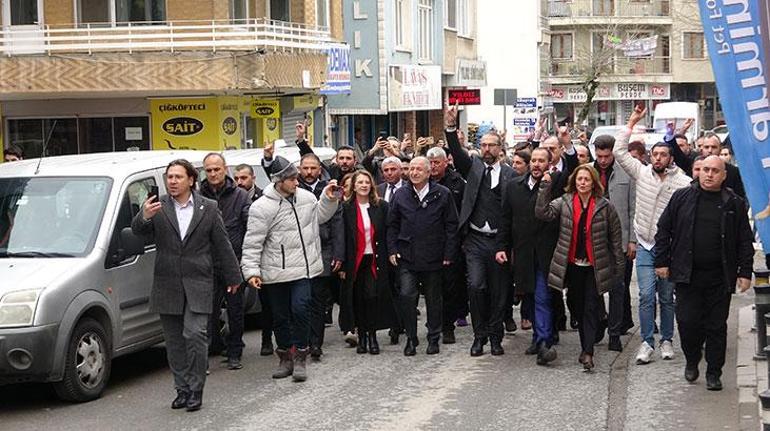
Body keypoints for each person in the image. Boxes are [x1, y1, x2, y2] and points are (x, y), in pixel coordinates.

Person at [131, 159, 241, 412]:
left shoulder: (209, 208)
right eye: (169, 177)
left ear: (191, 180)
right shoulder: (157, 206)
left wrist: (234, 278)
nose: (172, 181)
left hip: (199, 282)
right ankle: (181, 389)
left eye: (178, 177)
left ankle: (196, 388)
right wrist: (144, 216)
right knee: (174, 341)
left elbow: (223, 244)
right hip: (167, 283)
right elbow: (137, 232)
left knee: (194, 334)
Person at [654, 155, 753, 390]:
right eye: (705, 169)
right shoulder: (682, 197)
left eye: (714, 171)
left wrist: (745, 271)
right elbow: (663, 230)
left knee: (716, 326)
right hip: (687, 274)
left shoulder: (734, 203)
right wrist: (662, 261)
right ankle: (691, 358)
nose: (709, 174)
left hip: (719, 277)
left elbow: (744, 240)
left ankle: (714, 372)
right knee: (688, 323)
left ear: (724, 175)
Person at [241, 156, 340, 383]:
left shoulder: (305, 197)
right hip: (275, 271)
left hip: (303, 269)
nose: (297, 182)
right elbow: (253, 242)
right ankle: (285, 355)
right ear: (279, 180)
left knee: (301, 309)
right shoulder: (261, 207)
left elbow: (320, 217)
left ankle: (300, 357)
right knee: (280, 317)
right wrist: (251, 272)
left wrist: (328, 199)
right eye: (292, 178)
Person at [613, 105, 691, 365]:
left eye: (663, 155)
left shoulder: (682, 182)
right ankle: (647, 342)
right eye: (654, 154)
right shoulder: (642, 172)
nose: (657, 159)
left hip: (667, 249)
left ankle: (667, 339)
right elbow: (619, 151)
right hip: (645, 244)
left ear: (670, 158)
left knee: (666, 297)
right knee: (646, 295)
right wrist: (632, 121)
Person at [535, 164, 625, 371]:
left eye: (586, 179)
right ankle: (596, 326)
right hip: (573, 265)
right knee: (576, 306)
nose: (582, 183)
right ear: (574, 182)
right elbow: (543, 213)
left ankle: (587, 352)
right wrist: (544, 188)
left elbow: (615, 239)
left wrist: (618, 268)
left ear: (593, 182)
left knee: (589, 308)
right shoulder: (565, 202)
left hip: (595, 266)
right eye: (579, 179)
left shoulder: (605, 206)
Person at [445, 105, 516, 357]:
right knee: (476, 287)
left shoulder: (511, 175)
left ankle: (496, 338)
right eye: (483, 145)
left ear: (500, 148)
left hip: (499, 242)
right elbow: (455, 150)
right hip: (474, 240)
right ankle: (479, 337)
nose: (487, 149)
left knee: (498, 292)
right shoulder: (472, 168)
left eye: (492, 145)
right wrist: (451, 127)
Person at [496, 147, 564, 365]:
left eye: (541, 161)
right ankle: (537, 337)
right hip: (523, 252)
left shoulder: (556, 185)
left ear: (549, 163)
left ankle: (544, 342)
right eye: (533, 160)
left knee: (543, 296)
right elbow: (506, 220)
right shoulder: (514, 186)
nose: (536, 164)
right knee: (530, 297)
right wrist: (502, 247)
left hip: (547, 252)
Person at [387, 157, 459, 356]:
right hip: (407, 256)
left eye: (419, 169)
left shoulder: (442, 194)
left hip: (434, 256)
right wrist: (392, 249)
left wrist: (448, 253)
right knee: (407, 296)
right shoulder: (400, 195)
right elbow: (392, 225)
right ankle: (411, 337)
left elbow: (452, 225)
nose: (414, 172)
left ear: (429, 173)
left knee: (434, 300)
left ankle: (434, 337)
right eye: (411, 169)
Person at [199, 153, 251, 371]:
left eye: (216, 169)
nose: (213, 174)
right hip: (206, 264)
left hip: (233, 263)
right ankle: (214, 346)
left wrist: (244, 261)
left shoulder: (240, 196)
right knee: (207, 310)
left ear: (225, 169)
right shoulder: (196, 195)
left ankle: (235, 351)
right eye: (208, 170)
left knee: (235, 309)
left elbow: (248, 227)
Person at [294, 148, 345, 361]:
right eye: (305, 168)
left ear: (319, 170)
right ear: (299, 169)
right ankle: (300, 342)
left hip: (323, 250)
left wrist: (339, 254)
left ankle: (316, 344)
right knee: (300, 302)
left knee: (318, 300)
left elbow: (338, 222)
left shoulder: (329, 189)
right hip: (298, 251)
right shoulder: (292, 189)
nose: (308, 172)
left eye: (313, 168)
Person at [339, 169, 398, 354]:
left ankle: (372, 336)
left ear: (371, 185)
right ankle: (362, 336)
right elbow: (341, 236)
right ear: (353, 186)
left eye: (367, 182)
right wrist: (340, 262)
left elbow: (390, 231)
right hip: (354, 261)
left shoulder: (381, 206)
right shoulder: (345, 208)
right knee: (357, 300)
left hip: (375, 258)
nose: (364, 185)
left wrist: (392, 252)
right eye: (360, 182)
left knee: (372, 297)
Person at [592, 136, 637, 351]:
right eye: (599, 156)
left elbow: (633, 209)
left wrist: (632, 241)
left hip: (619, 242)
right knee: (595, 290)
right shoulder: (587, 173)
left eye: (606, 156)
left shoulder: (626, 174)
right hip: (593, 242)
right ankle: (600, 322)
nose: (602, 160)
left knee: (618, 290)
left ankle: (615, 333)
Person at [427, 146, 467, 343]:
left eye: (437, 163)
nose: (433, 166)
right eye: (430, 163)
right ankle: (435, 323)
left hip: (452, 241)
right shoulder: (421, 183)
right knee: (432, 289)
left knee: (451, 287)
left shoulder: (457, 182)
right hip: (428, 243)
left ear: (445, 163)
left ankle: (448, 326)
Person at [233, 163, 273, 356]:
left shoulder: (264, 197)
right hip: (239, 255)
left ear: (253, 178)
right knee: (236, 302)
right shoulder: (232, 198)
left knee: (266, 301)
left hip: (262, 255)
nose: (239, 182)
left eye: (244, 178)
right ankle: (234, 342)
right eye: (236, 178)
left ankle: (267, 339)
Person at [669, 122, 745, 198]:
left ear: (720, 148)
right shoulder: (693, 164)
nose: (710, 150)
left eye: (714, 147)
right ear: (701, 149)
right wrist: (670, 136)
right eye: (706, 147)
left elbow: (739, 196)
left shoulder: (733, 172)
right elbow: (678, 156)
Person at [296, 123, 360, 181]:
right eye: (341, 158)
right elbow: (311, 157)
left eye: (348, 158)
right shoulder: (331, 171)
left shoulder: (360, 174)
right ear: (336, 160)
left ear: (355, 161)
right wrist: (301, 139)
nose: (344, 161)